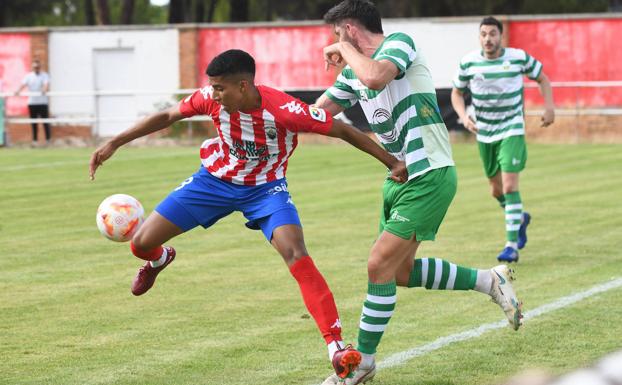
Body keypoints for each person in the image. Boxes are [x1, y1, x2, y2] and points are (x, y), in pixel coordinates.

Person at [89, 49, 409, 380]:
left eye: (219, 88)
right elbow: (169, 116)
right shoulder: (211, 100)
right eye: (211, 87)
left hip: (266, 190)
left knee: (296, 253)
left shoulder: (285, 110)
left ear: (243, 86)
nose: (213, 95)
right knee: (141, 243)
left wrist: (392, 162)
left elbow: (342, 130)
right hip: (213, 181)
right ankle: (158, 259)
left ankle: (337, 347)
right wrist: (115, 142)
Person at [314, 1, 523, 384]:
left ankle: (361, 363)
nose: (333, 45)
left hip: (430, 172)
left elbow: (377, 77)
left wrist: (343, 50)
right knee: (399, 273)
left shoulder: (400, 43)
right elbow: (317, 111)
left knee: (378, 264)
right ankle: (489, 281)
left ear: (348, 29)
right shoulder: (353, 73)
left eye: (336, 36)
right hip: (398, 179)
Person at [451, 16, 555, 262]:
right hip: (485, 133)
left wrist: (549, 107)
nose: (488, 39)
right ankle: (519, 217)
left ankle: (511, 246)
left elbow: (542, 78)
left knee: (509, 186)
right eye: (484, 34)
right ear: (480, 37)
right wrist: (463, 117)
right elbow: (456, 92)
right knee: (496, 190)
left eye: (493, 34)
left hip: (512, 129)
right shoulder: (469, 63)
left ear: (501, 36)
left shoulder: (517, 57)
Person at [15, 59, 51, 146]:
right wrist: (17, 91)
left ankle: (47, 140)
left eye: (37, 67)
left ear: (40, 67)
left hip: (42, 102)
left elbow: (46, 85)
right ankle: (35, 141)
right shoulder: (29, 76)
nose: (36, 68)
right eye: (35, 67)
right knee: (34, 122)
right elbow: (23, 85)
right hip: (32, 103)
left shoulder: (44, 75)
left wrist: (44, 89)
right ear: (32, 67)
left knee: (45, 122)